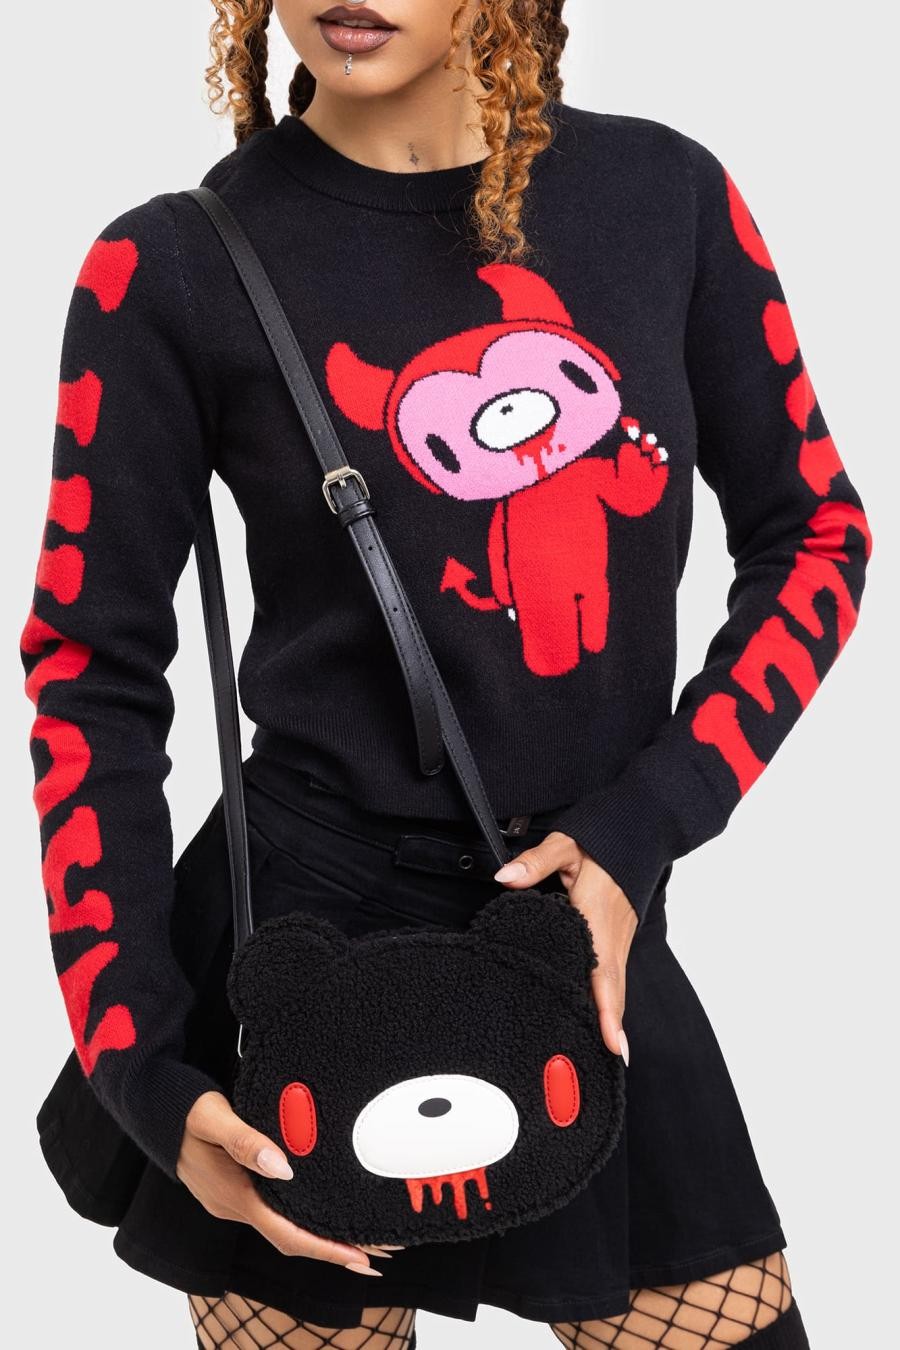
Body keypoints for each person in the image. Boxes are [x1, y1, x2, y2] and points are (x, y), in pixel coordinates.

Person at [18, 0, 872, 1346]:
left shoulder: (667, 198)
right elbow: (89, 677)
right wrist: (143, 1068)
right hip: (298, 953)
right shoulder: (164, 267)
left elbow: (816, 537)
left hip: (586, 933)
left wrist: (642, 826)